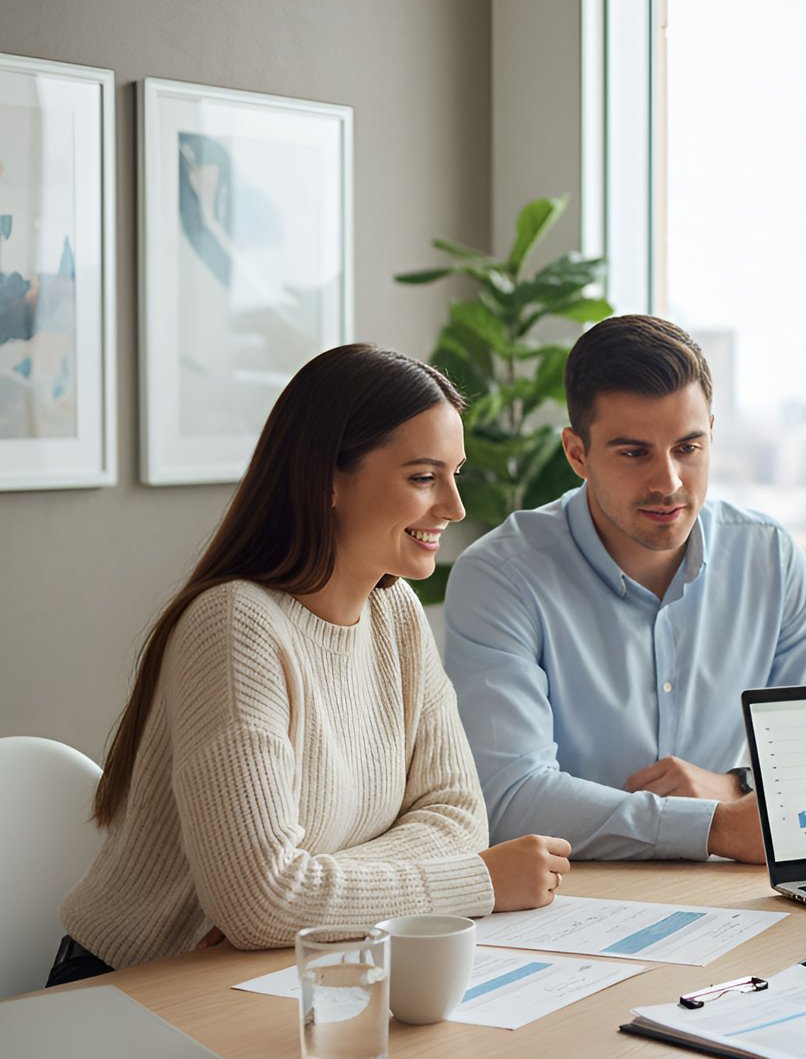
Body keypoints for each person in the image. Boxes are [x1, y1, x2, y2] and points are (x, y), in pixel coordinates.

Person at [50, 345, 571, 986]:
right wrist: (477, 882)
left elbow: (459, 817)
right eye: (422, 477)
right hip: (138, 991)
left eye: (454, 473)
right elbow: (263, 903)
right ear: (327, 476)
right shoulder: (236, 627)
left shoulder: (397, 614)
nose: (454, 507)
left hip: (284, 971)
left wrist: (311, 887)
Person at [445, 313, 806, 863]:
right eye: (634, 453)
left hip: (736, 895)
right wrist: (717, 827)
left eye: (688, 447)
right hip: (574, 899)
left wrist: (732, 787)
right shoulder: (502, 576)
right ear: (577, 454)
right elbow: (511, 798)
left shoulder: (768, 556)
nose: (669, 482)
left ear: (712, 433)